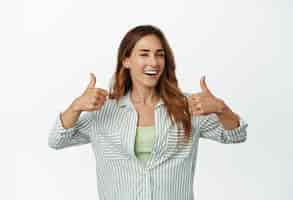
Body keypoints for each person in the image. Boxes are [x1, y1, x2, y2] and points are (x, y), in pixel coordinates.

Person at [48, 25, 248, 200]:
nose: (153, 62)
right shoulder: (103, 109)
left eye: (159, 54)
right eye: (144, 54)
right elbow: (57, 140)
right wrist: (75, 107)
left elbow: (236, 135)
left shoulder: (187, 106)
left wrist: (221, 109)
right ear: (126, 60)